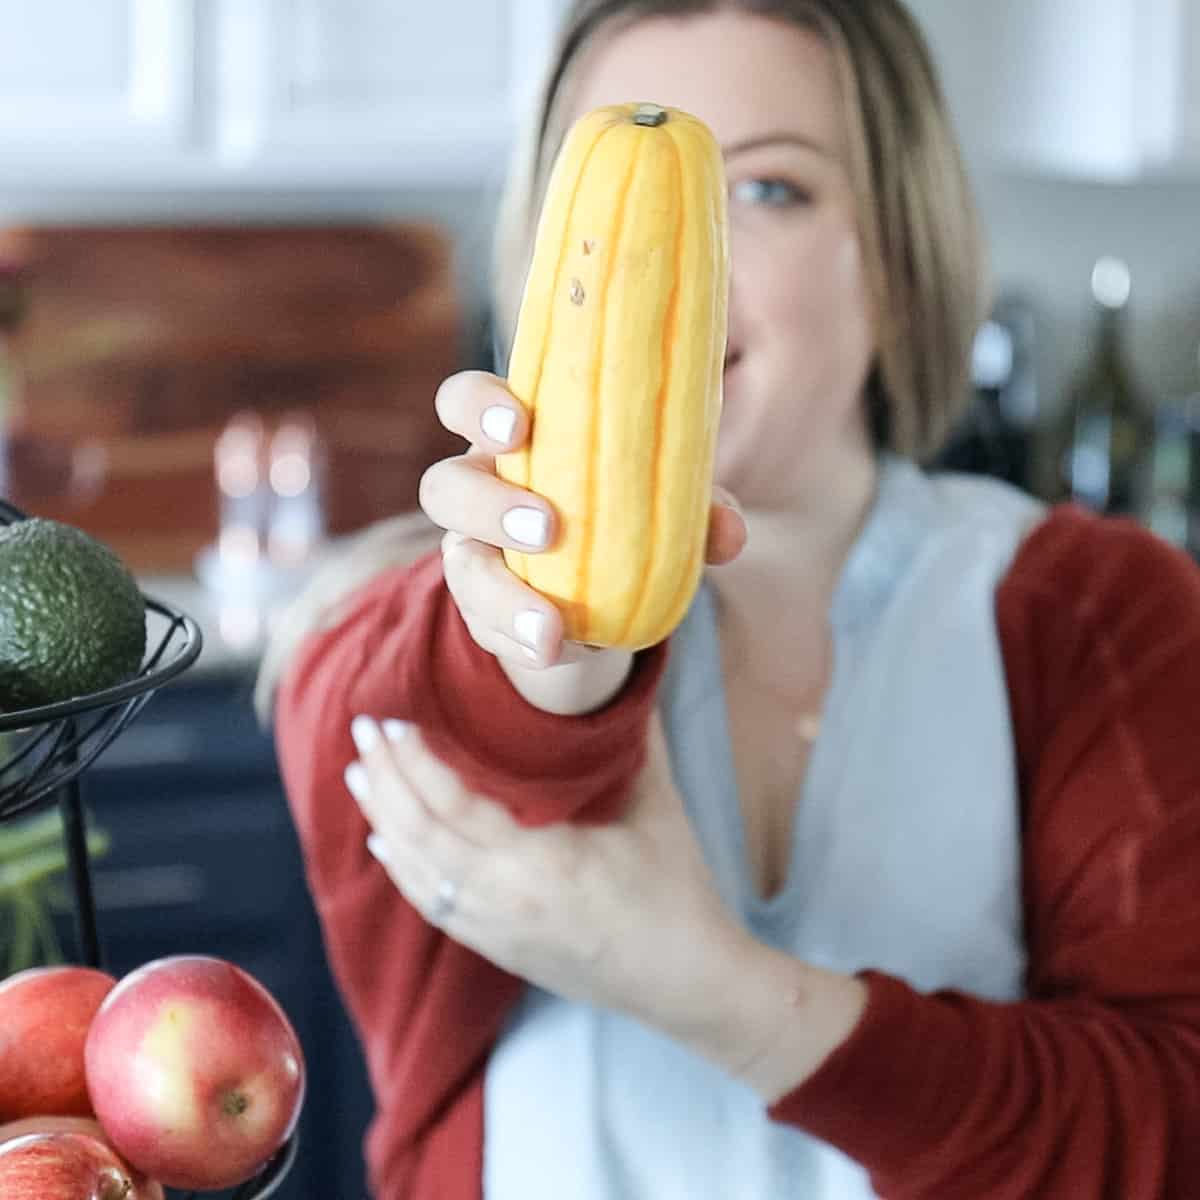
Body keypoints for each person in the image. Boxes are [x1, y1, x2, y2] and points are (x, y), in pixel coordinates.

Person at [258, 2, 1200, 1197]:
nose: (674, 258)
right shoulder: (387, 633)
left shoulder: (1102, 613)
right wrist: (555, 650)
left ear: (898, 257)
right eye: (618, 195)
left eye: (765, 192)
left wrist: (718, 994)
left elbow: (1169, 1128)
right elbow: (451, 723)